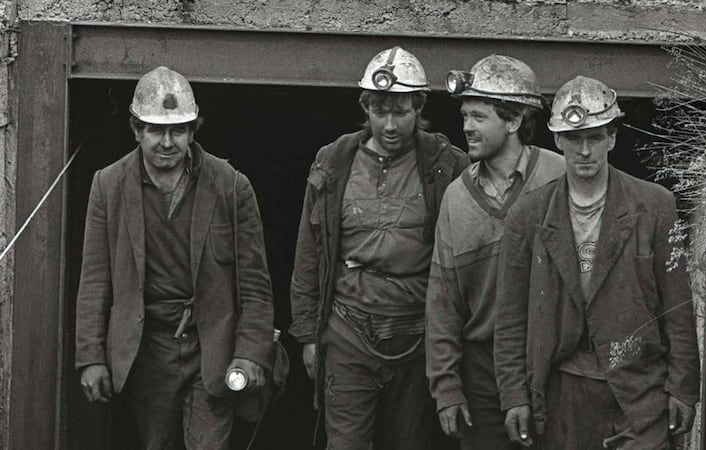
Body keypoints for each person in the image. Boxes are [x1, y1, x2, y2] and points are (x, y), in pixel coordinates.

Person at [494, 76, 700, 449]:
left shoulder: (654, 206)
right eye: (574, 139)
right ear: (558, 140)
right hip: (563, 390)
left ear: (612, 138)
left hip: (639, 389)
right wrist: (514, 396)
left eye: (594, 137)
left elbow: (678, 308)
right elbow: (510, 317)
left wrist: (683, 388)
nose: (585, 150)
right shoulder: (528, 215)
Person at [75, 66, 275, 449]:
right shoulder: (109, 186)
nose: (167, 142)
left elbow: (255, 284)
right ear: (137, 130)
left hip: (212, 346)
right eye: (156, 130)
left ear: (193, 131)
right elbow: (95, 280)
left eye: (178, 130)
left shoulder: (231, 187)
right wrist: (91, 357)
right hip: (148, 350)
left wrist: (251, 353)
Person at [289, 46, 470, 450]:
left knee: (411, 442)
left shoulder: (445, 164)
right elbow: (310, 251)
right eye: (380, 111)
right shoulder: (333, 162)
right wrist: (308, 335)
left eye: (401, 112)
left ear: (419, 107)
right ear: (365, 107)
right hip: (348, 329)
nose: (390, 124)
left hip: (417, 333)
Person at [425, 55, 564, 450]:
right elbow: (442, 301)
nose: (466, 127)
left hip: (554, 363)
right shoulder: (456, 198)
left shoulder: (559, 177)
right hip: (481, 375)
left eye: (479, 117)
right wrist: (447, 387)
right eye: (465, 116)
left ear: (514, 120)